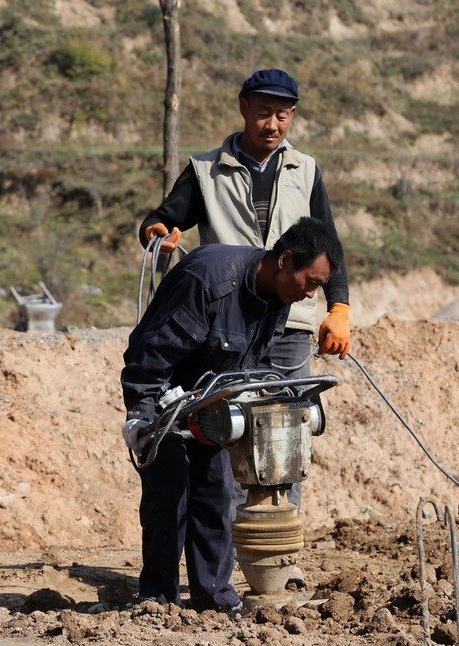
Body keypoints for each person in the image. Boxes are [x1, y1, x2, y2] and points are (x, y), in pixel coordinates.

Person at [138, 68, 350, 511]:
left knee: (287, 433)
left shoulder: (305, 171)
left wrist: (339, 307)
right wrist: (157, 234)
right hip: (226, 328)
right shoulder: (205, 170)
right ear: (243, 109)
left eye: (282, 115)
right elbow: (162, 219)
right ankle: (228, 545)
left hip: (289, 326)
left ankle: (278, 543)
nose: (272, 124)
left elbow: (328, 246)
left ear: (292, 117)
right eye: (263, 113)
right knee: (229, 430)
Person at [121, 217, 343, 612]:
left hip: (213, 400)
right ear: (285, 260)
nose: (311, 295)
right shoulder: (209, 281)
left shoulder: (277, 299)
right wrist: (142, 411)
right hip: (165, 395)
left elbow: (246, 363)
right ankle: (157, 600)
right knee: (169, 493)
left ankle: (214, 598)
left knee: (215, 494)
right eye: (310, 282)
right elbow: (152, 353)